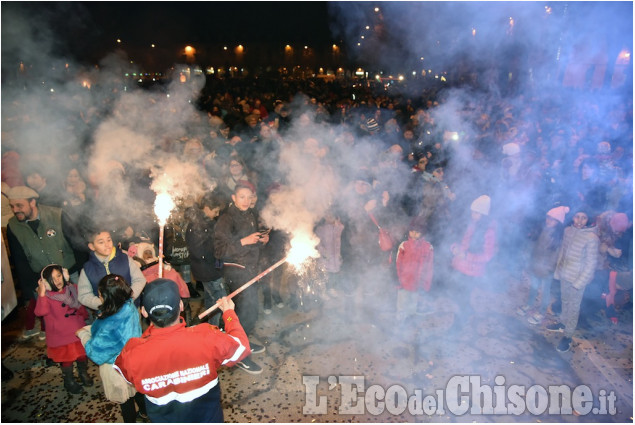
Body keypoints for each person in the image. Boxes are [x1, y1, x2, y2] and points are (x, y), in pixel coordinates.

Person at [114, 279, 251, 422]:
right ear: (180, 305)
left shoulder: (132, 352)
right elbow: (242, 347)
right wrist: (229, 313)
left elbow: (126, 375)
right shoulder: (206, 337)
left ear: (143, 312)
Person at [6, 186, 78, 340]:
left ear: (32, 202)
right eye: (12, 206)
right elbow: (20, 260)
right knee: (52, 318)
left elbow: (76, 242)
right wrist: (31, 288)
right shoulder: (13, 226)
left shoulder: (57, 214)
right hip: (42, 281)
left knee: (77, 310)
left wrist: (81, 269)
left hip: (70, 273)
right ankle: (60, 348)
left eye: (19, 205)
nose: (15, 210)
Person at [77, 274, 147, 422]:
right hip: (134, 361)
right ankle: (145, 413)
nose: (99, 296)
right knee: (138, 391)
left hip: (116, 368)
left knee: (125, 400)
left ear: (108, 298)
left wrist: (84, 335)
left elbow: (96, 353)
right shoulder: (129, 307)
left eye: (100, 294)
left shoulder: (108, 324)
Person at [214, 180, 267, 374]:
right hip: (236, 271)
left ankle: (244, 341)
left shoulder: (250, 214)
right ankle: (239, 356)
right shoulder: (226, 219)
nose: (246, 201)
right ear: (234, 198)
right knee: (245, 311)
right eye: (241, 197)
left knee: (250, 312)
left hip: (250, 270)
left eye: (249, 197)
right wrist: (244, 241)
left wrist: (261, 240)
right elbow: (219, 250)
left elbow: (251, 244)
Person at [547, 206, 599, 353]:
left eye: (584, 217)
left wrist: (579, 283)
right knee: (564, 301)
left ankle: (568, 336)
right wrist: (558, 271)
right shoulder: (568, 231)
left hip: (577, 279)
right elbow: (562, 252)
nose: (580, 221)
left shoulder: (591, 238)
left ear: (588, 220)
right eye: (577, 217)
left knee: (574, 307)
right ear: (573, 217)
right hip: (565, 274)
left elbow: (591, 264)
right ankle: (562, 324)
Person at [35, 264, 91, 394]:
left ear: (65, 275)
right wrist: (42, 294)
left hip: (77, 329)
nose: (57, 280)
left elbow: (82, 303)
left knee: (82, 354)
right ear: (46, 283)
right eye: (52, 279)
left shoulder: (72, 288)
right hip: (60, 335)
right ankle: (69, 380)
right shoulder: (47, 296)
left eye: (59, 276)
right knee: (67, 359)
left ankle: (83, 373)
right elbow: (40, 312)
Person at [448, 195, 498, 330]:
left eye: (476, 212)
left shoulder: (488, 231)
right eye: (472, 211)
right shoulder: (471, 223)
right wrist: (454, 247)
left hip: (472, 270)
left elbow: (488, 255)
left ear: (483, 214)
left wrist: (467, 256)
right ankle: (467, 309)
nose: (472, 214)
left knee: (463, 295)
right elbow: (461, 240)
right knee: (456, 293)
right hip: (459, 265)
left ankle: (459, 322)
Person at [517, 206, 568, 325]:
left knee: (545, 292)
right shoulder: (541, 230)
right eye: (548, 217)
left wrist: (548, 269)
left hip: (547, 270)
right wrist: (530, 262)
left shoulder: (558, 238)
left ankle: (542, 311)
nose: (549, 221)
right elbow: (534, 247)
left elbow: (555, 256)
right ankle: (529, 305)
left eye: (553, 219)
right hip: (535, 265)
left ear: (558, 223)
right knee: (533, 287)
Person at [77, 227, 146, 312]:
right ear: (92, 246)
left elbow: (139, 279)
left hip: (130, 310)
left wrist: (129, 297)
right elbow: (84, 295)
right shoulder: (88, 269)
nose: (107, 245)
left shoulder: (125, 259)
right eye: (101, 242)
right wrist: (105, 304)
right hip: (106, 316)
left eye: (109, 240)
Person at [184, 192, 227, 327]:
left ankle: (211, 326)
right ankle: (217, 328)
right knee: (222, 301)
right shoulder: (197, 226)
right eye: (215, 211)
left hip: (207, 270)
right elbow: (199, 251)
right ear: (207, 208)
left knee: (211, 300)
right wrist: (218, 251)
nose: (217, 214)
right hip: (208, 270)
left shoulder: (205, 222)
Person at [395, 216, 434, 320]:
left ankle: (410, 322)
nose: (414, 234)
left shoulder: (428, 247)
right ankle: (400, 322)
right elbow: (398, 263)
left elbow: (429, 267)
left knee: (413, 305)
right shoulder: (404, 245)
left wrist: (426, 284)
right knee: (402, 304)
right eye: (412, 231)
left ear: (423, 233)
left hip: (418, 283)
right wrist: (398, 279)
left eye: (417, 232)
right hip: (404, 281)